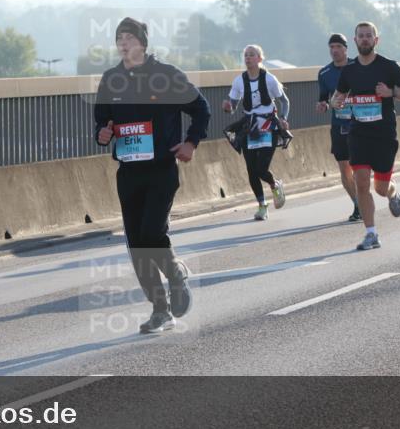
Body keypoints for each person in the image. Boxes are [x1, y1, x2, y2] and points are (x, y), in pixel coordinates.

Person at [94, 17, 211, 334]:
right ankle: (161, 310)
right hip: (129, 172)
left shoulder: (166, 75)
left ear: (143, 43)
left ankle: (175, 272)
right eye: (119, 38)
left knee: (151, 234)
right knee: (136, 245)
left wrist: (191, 143)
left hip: (161, 170)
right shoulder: (110, 80)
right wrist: (103, 133)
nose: (123, 43)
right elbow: (102, 122)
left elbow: (202, 109)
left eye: (129, 37)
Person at [331, 22, 400, 250]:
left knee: (380, 188)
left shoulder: (388, 67)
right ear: (355, 41)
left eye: (368, 36)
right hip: (359, 133)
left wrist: (392, 92)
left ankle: (392, 192)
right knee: (361, 182)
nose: (364, 39)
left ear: (376, 40)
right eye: (360, 36)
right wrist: (335, 101)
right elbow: (337, 96)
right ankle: (371, 233)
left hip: (384, 135)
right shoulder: (349, 71)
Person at [222, 45, 290, 220]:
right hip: (249, 127)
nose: (248, 58)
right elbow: (233, 105)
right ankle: (262, 206)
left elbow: (284, 101)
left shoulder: (269, 79)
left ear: (260, 59)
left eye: (252, 55)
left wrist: (283, 117)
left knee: (261, 168)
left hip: (268, 125)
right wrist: (228, 107)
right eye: (245, 55)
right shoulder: (239, 81)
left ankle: (274, 185)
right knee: (251, 170)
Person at [316, 33, 360, 222]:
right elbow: (323, 98)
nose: (334, 51)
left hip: (360, 123)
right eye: (331, 47)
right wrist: (323, 105)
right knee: (344, 169)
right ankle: (358, 205)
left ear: (346, 49)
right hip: (339, 125)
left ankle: (367, 196)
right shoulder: (324, 73)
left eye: (338, 47)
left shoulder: (357, 67)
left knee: (359, 167)